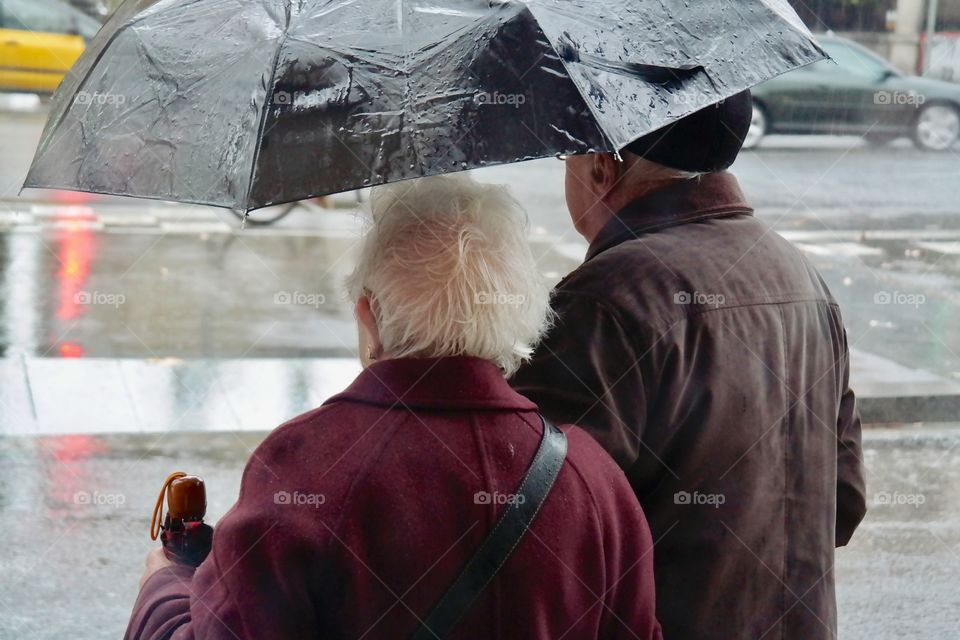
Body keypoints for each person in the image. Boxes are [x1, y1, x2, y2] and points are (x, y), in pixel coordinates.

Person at [125, 174, 663, 640]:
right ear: (521, 311)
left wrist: (164, 588)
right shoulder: (592, 481)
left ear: (370, 313)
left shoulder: (303, 464)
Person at [511, 91, 867, 640]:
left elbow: (535, 527)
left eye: (570, 160)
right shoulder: (802, 278)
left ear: (603, 167)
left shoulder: (607, 298)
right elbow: (844, 501)